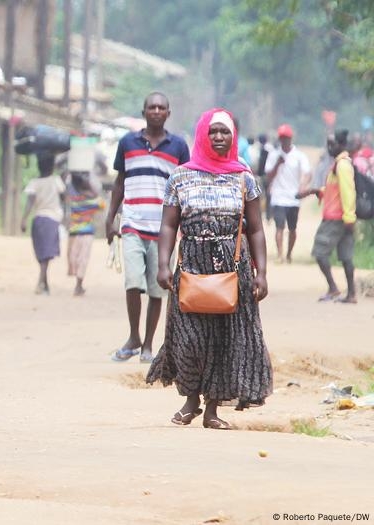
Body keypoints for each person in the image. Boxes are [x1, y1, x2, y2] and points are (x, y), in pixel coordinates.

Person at [145, 108, 272, 430]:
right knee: (190, 337)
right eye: (212, 132)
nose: (218, 137)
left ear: (233, 137)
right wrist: (163, 264)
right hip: (191, 265)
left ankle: (213, 409)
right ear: (202, 135)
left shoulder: (244, 177)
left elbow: (255, 229)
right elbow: (168, 225)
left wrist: (262, 272)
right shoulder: (180, 176)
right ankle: (190, 401)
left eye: (224, 132)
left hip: (233, 266)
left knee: (224, 339)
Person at [105, 92, 191, 363]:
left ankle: (148, 345)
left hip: (163, 229)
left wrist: (186, 223)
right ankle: (133, 337)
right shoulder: (127, 142)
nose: (156, 111)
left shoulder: (178, 146)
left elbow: (185, 186)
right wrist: (111, 218)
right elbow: (120, 182)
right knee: (132, 282)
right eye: (151, 107)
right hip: (132, 223)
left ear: (168, 113)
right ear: (143, 112)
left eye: (161, 107)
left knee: (158, 288)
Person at [306, 129, 358, 303]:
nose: (329, 147)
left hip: (336, 218)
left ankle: (333, 288)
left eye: (333, 144)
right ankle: (351, 294)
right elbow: (334, 191)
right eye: (328, 144)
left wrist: (349, 216)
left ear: (342, 145)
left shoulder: (342, 165)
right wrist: (318, 191)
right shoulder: (338, 164)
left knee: (320, 252)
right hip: (342, 218)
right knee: (345, 256)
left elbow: (348, 191)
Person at [263, 124, 313, 263]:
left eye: (286, 138)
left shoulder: (299, 155)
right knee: (279, 226)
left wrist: (303, 185)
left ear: (290, 138)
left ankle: (289, 253)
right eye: (281, 138)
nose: (283, 140)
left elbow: (307, 173)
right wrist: (278, 164)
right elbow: (268, 176)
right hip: (278, 197)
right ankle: (280, 255)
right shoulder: (274, 155)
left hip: (293, 198)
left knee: (292, 228)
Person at [20, 153, 66, 295]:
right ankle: (41, 282)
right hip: (52, 219)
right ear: (52, 167)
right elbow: (64, 196)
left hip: (38, 219)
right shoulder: (56, 180)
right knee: (46, 253)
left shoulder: (34, 183)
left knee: (42, 252)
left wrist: (24, 219)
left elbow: (29, 202)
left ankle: (44, 284)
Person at [66, 171, 105, 296]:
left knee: (74, 257)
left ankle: (76, 278)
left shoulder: (73, 199)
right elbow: (102, 204)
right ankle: (78, 285)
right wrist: (92, 191)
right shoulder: (92, 201)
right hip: (86, 233)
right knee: (83, 258)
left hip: (73, 233)